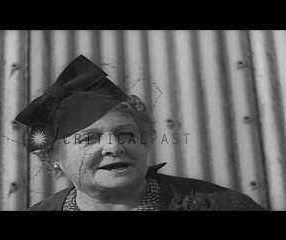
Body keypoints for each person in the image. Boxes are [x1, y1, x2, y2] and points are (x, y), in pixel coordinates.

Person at [15, 55, 266, 211]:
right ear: (54, 159)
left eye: (126, 135)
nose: (114, 147)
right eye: (89, 138)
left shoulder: (221, 205)